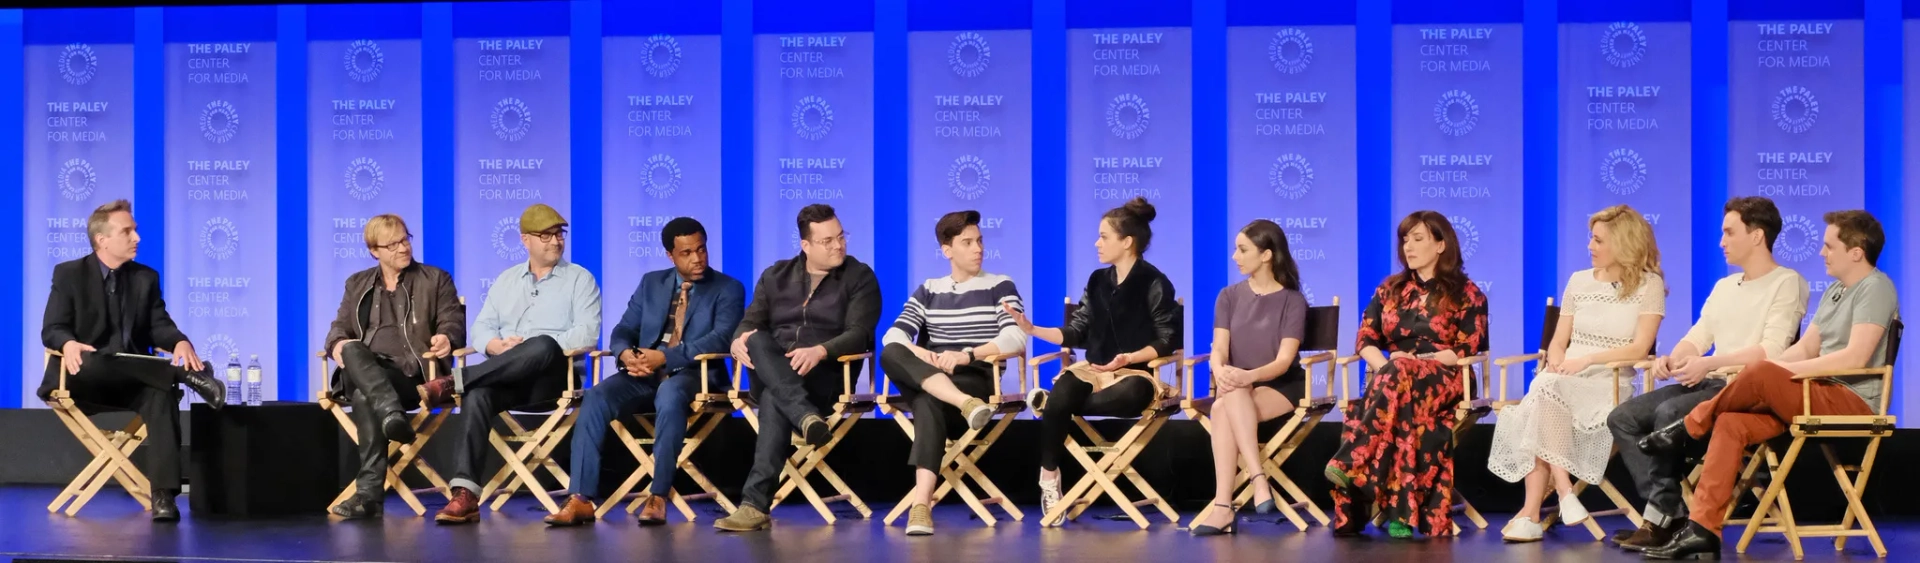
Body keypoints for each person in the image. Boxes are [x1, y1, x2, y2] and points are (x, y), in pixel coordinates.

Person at [1637, 210, 1896, 559]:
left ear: (1856, 251)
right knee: (1731, 422)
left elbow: (1856, 358)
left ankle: (1690, 425)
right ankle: (1702, 530)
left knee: (1761, 370)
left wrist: (1782, 372)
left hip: (1850, 399)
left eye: (1829, 246)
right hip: (1812, 393)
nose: (1821, 253)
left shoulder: (1876, 287)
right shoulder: (1836, 290)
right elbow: (1805, 347)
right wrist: (1778, 368)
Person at [1607, 197, 1808, 551]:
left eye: (1729, 232)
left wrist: (1710, 363)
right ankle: (1671, 514)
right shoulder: (1724, 286)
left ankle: (1659, 522)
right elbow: (1699, 336)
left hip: (1746, 391)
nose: (1721, 241)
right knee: (1623, 417)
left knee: (1669, 413)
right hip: (1709, 382)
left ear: (1757, 236)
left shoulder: (1787, 282)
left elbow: (1772, 351)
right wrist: (1675, 357)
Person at [545, 218, 744, 527]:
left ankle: (658, 496)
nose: (697, 259)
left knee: (670, 392)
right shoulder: (652, 282)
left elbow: (720, 338)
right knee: (597, 396)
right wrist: (625, 352)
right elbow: (624, 328)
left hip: (695, 374)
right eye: (687, 252)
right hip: (642, 373)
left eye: (702, 250)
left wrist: (663, 358)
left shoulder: (728, 288)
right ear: (670, 255)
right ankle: (580, 498)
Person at [1487, 205, 1665, 542]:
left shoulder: (1648, 285)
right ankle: (1565, 493)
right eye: (1590, 238)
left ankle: (1531, 512)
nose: (1590, 246)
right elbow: (1557, 343)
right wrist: (1556, 361)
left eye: (1598, 240)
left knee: (1543, 392)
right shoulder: (1578, 281)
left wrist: (1585, 362)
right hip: (1563, 378)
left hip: (1608, 384)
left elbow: (1640, 349)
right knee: (1547, 388)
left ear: (1624, 244)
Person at [40, 199, 224, 522]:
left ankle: (163, 496)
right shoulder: (69, 274)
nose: (137, 238)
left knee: (161, 394)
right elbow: (52, 328)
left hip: (134, 382)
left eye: (135, 231)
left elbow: (159, 326)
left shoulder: (145, 278)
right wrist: (67, 343)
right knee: (99, 357)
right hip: (83, 376)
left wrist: (180, 341)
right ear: (102, 240)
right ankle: (189, 376)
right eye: (128, 231)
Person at [1007, 197, 1181, 519]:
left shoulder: (1155, 282)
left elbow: (1168, 339)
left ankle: (1051, 405)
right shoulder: (1097, 280)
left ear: (1127, 242)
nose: (1096, 243)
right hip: (1093, 369)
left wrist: (1128, 358)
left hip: (1135, 373)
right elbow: (1078, 331)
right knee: (1067, 389)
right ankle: (1049, 478)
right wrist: (1032, 329)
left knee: (1103, 397)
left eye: (1104, 236)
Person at [714, 204, 882, 532]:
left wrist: (821, 350)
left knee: (778, 400)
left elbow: (860, 333)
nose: (839, 245)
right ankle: (805, 417)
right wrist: (737, 340)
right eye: (828, 241)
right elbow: (749, 322)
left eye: (841, 237)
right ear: (806, 245)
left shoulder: (859, 277)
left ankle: (753, 506)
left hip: (823, 378)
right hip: (772, 372)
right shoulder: (775, 275)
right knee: (757, 339)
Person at [1324, 210, 1489, 539]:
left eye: (1418, 239)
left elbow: (1469, 348)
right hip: (1395, 381)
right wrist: (1386, 364)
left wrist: (1414, 361)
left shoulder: (1467, 293)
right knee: (1400, 400)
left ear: (1441, 245)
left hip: (1447, 376)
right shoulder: (1389, 289)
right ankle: (1402, 512)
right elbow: (1366, 340)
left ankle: (1351, 463)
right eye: (1405, 239)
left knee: (1395, 376)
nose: (1408, 247)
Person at [436, 203, 602, 524]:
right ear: (525, 240)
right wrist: (497, 345)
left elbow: (587, 334)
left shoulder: (580, 280)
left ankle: (455, 379)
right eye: (546, 235)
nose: (556, 241)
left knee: (541, 344)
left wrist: (535, 347)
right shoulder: (506, 280)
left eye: (559, 234)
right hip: (509, 380)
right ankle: (466, 494)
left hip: (555, 380)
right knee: (477, 394)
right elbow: (482, 328)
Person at [878, 210, 1026, 536]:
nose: (978, 249)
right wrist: (925, 353)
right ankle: (963, 404)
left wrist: (966, 354)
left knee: (927, 400)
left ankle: (920, 506)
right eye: (968, 242)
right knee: (891, 352)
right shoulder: (929, 289)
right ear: (947, 250)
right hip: (943, 382)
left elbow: (1016, 337)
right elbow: (894, 336)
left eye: (980, 241)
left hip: (976, 378)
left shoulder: (999, 285)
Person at [323, 214, 466, 519]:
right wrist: (337, 345)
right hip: (364, 370)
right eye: (394, 244)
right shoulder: (357, 283)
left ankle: (369, 495)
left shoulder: (435, 279)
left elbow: (453, 320)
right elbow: (338, 329)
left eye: (406, 239)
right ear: (375, 251)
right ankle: (391, 413)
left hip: (412, 376)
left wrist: (446, 337)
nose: (403, 248)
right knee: (353, 348)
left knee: (365, 397)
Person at [1190, 219, 1311, 537]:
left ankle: (1222, 508)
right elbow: (1218, 349)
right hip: (1235, 385)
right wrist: (1219, 370)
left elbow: (1285, 361)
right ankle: (1259, 480)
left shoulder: (1293, 300)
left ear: (1267, 254)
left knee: (1222, 405)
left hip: (1281, 385)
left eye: (1242, 250)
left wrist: (1247, 376)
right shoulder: (1228, 296)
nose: (1235, 256)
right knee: (1225, 401)